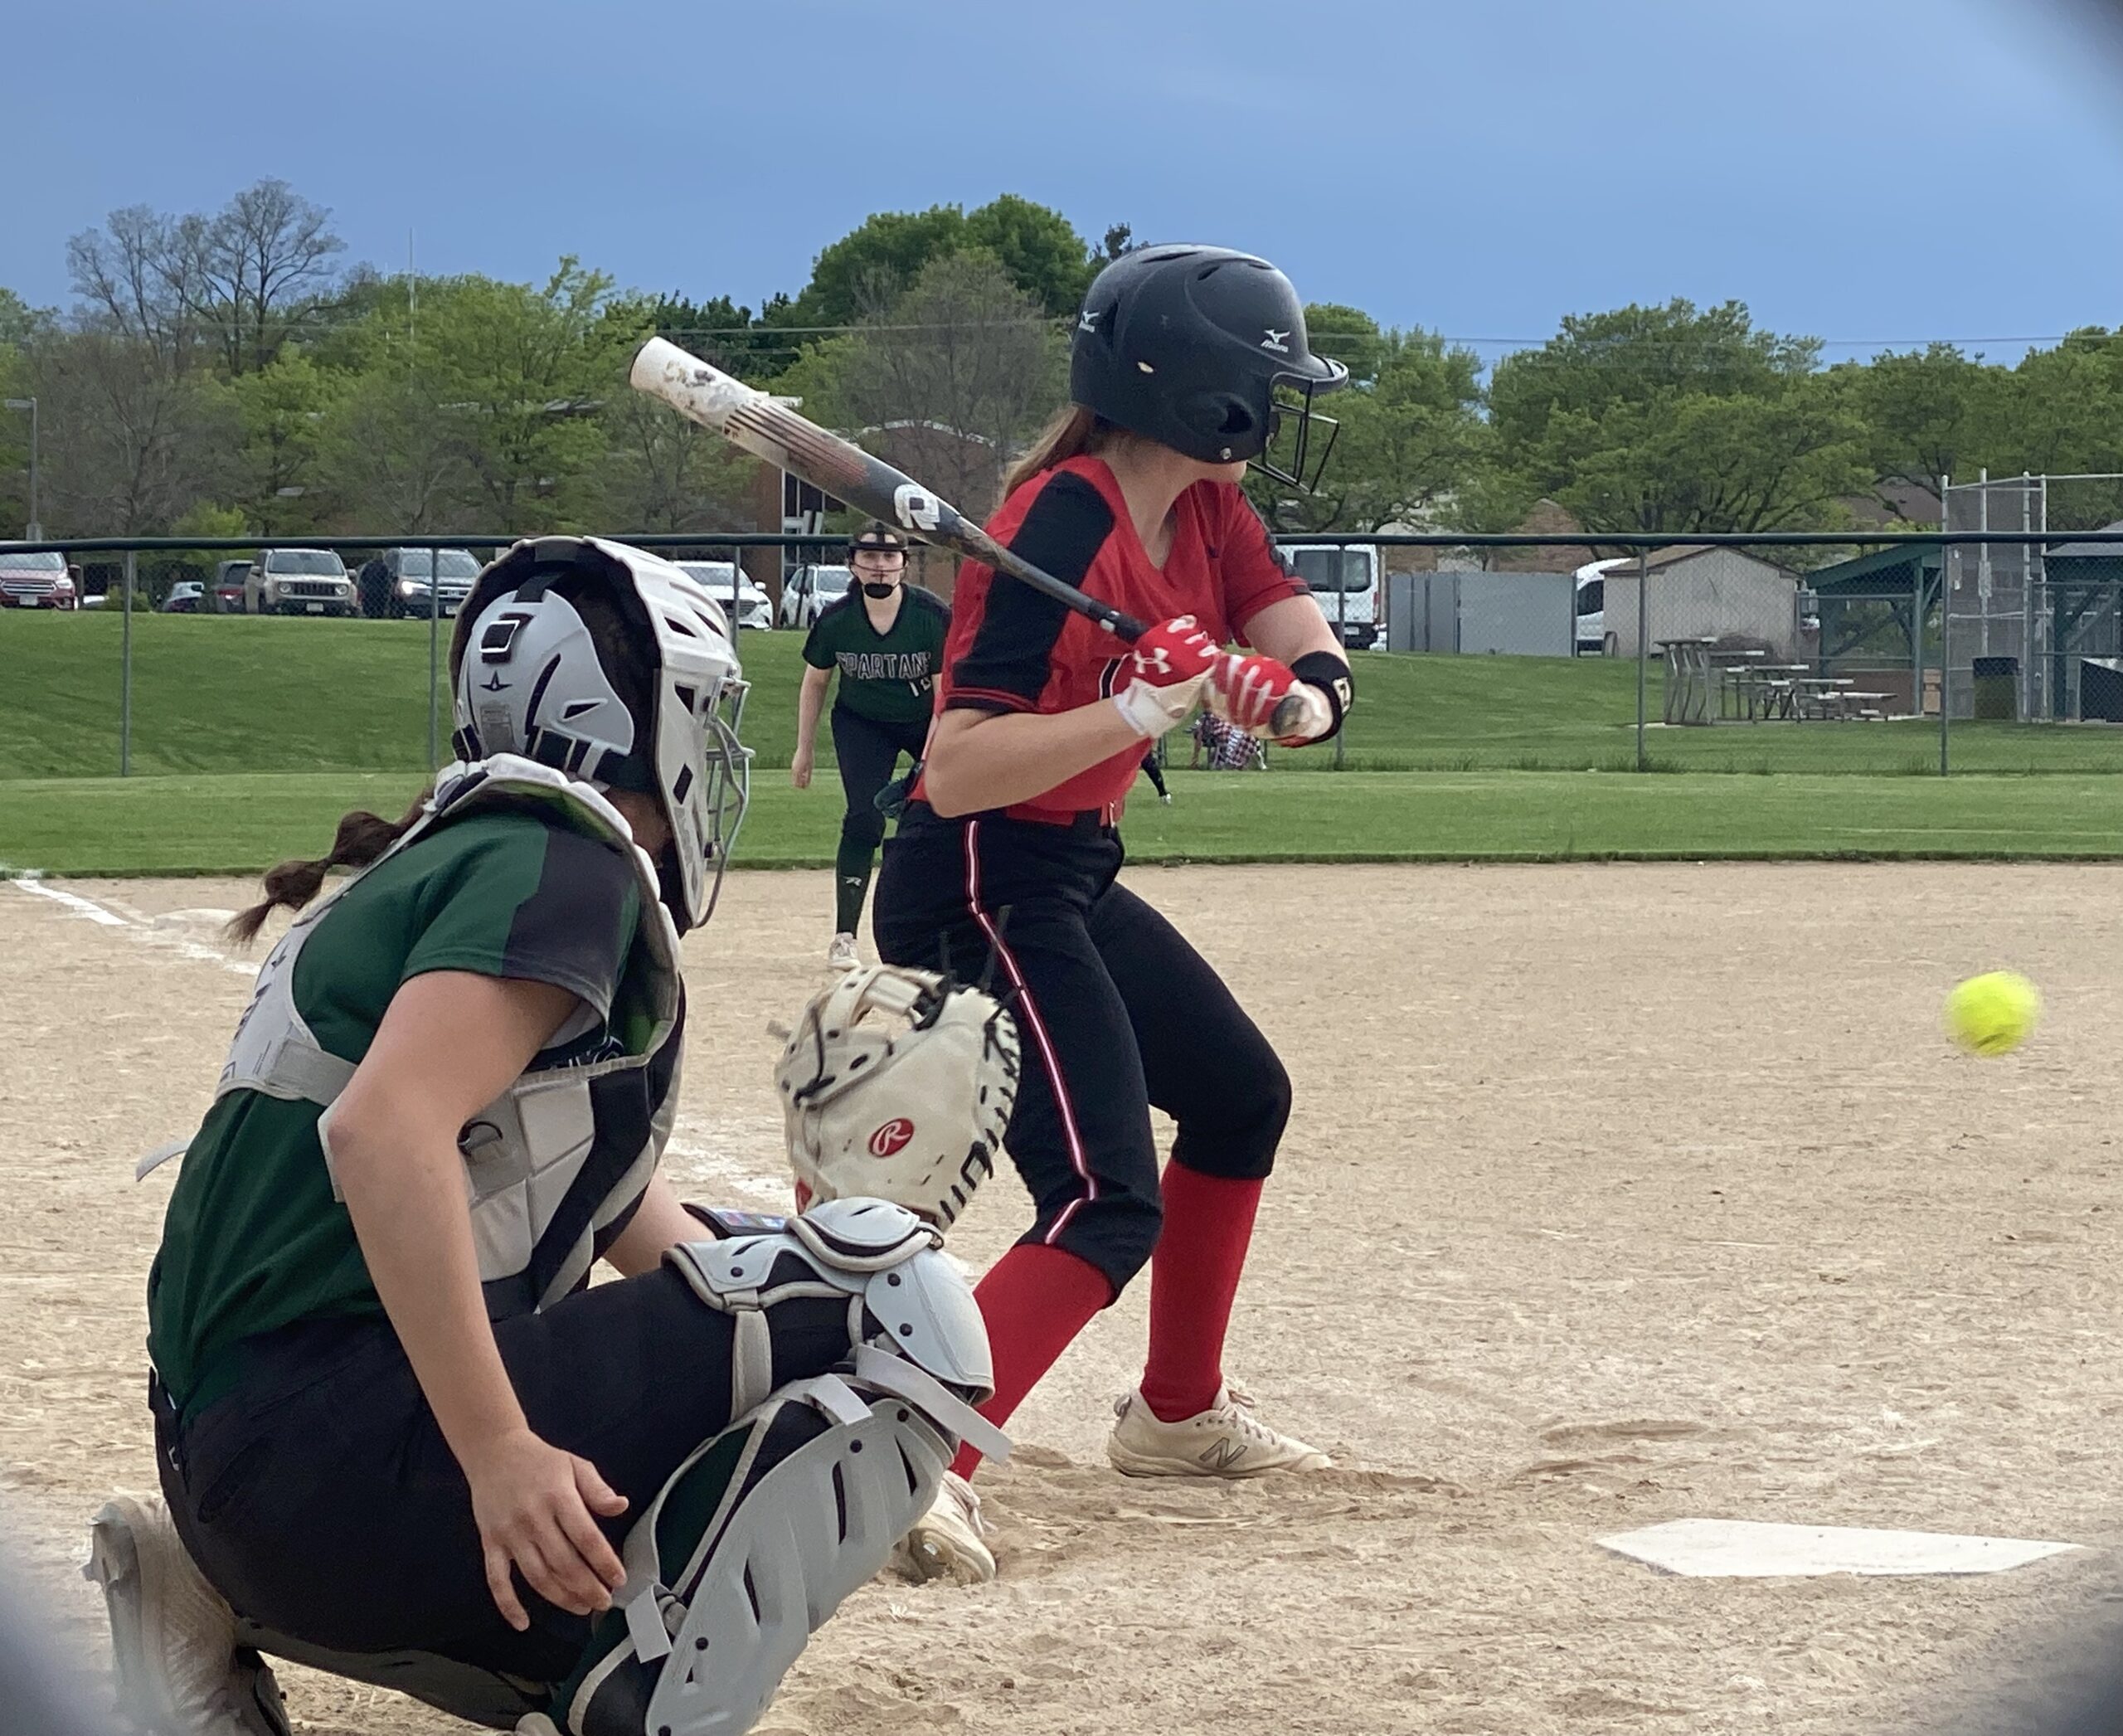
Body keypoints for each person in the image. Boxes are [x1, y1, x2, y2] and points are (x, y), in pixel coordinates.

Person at [88, 537, 1015, 1736]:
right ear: (613, 715)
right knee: (896, 1290)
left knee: (781, 1309)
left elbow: (607, 1198)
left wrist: (834, 1378)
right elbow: (383, 1133)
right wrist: (501, 1452)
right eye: (699, 708)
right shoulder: (565, 858)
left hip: (253, 1482)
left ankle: (207, 1603)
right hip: (332, 1475)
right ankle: (639, 1702)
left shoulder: (464, 850)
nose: (716, 745)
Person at [874, 245, 1360, 1581]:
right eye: (1269, 386)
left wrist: (1283, 699)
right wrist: (1142, 706)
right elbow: (962, 764)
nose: (1280, 412)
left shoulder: (1209, 512)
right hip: (974, 876)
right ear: (1204, 393)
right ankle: (916, 1461)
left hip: (1069, 870)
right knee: (1100, 1198)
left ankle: (1177, 1417)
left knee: (1240, 1098)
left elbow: (1306, 650)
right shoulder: (1057, 523)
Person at [789, 521, 950, 972]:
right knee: (864, 816)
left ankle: (929, 930)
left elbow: (944, 693)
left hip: (924, 721)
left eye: (889, 558)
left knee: (933, 818)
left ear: (903, 564)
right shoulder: (838, 619)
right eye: (869, 558)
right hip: (862, 722)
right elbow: (815, 682)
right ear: (852, 564)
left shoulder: (930, 616)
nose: (879, 568)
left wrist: (931, 756)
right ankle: (844, 935)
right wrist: (804, 749)